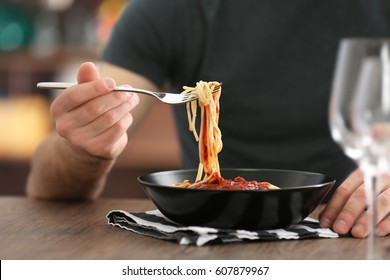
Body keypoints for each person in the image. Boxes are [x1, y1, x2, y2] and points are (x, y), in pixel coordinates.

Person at [27, 0, 390, 238]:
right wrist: (84, 146)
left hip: (355, 230)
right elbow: (46, 184)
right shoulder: (170, 8)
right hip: (207, 240)